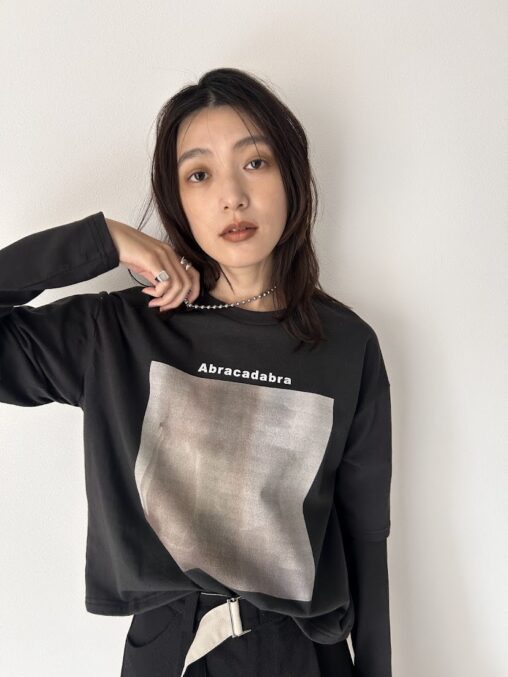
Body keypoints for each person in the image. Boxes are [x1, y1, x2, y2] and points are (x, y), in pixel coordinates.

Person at [0, 67, 392, 676]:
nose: (232, 195)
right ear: (176, 198)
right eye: (199, 174)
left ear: (292, 174)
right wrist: (101, 241)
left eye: (255, 162)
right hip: (171, 653)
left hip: (303, 657)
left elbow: (365, 537)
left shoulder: (346, 345)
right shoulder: (116, 334)